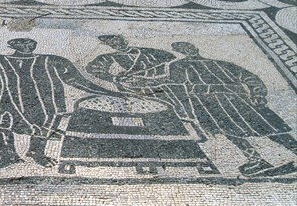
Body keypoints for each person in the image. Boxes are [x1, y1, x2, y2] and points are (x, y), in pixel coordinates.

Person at [0, 37, 116, 171]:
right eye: (21, 44)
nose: (27, 46)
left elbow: (77, 80)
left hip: (45, 101)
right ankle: (8, 156)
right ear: (12, 46)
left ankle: (36, 152)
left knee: (43, 125)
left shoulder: (51, 60)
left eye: (30, 44)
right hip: (6, 100)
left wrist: (109, 92)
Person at [120, 42, 297, 177]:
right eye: (183, 49)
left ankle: (286, 152)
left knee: (267, 127)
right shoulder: (178, 66)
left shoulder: (215, 64)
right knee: (230, 131)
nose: (186, 52)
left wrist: (258, 95)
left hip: (235, 100)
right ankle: (256, 160)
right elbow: (165, 83)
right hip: (206, 104)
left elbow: (250, 77)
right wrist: (135, 83)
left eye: (186, 48)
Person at [86, 35, 175, 85]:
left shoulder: (147, 52)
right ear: (110, 46)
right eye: (113, 44)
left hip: (157, 83)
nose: (118, 45)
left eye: (119, 42)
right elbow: (92, 68)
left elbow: (170, 59)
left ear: (125, 41)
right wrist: (114, 78)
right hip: (128, 85)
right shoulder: (107, 57)